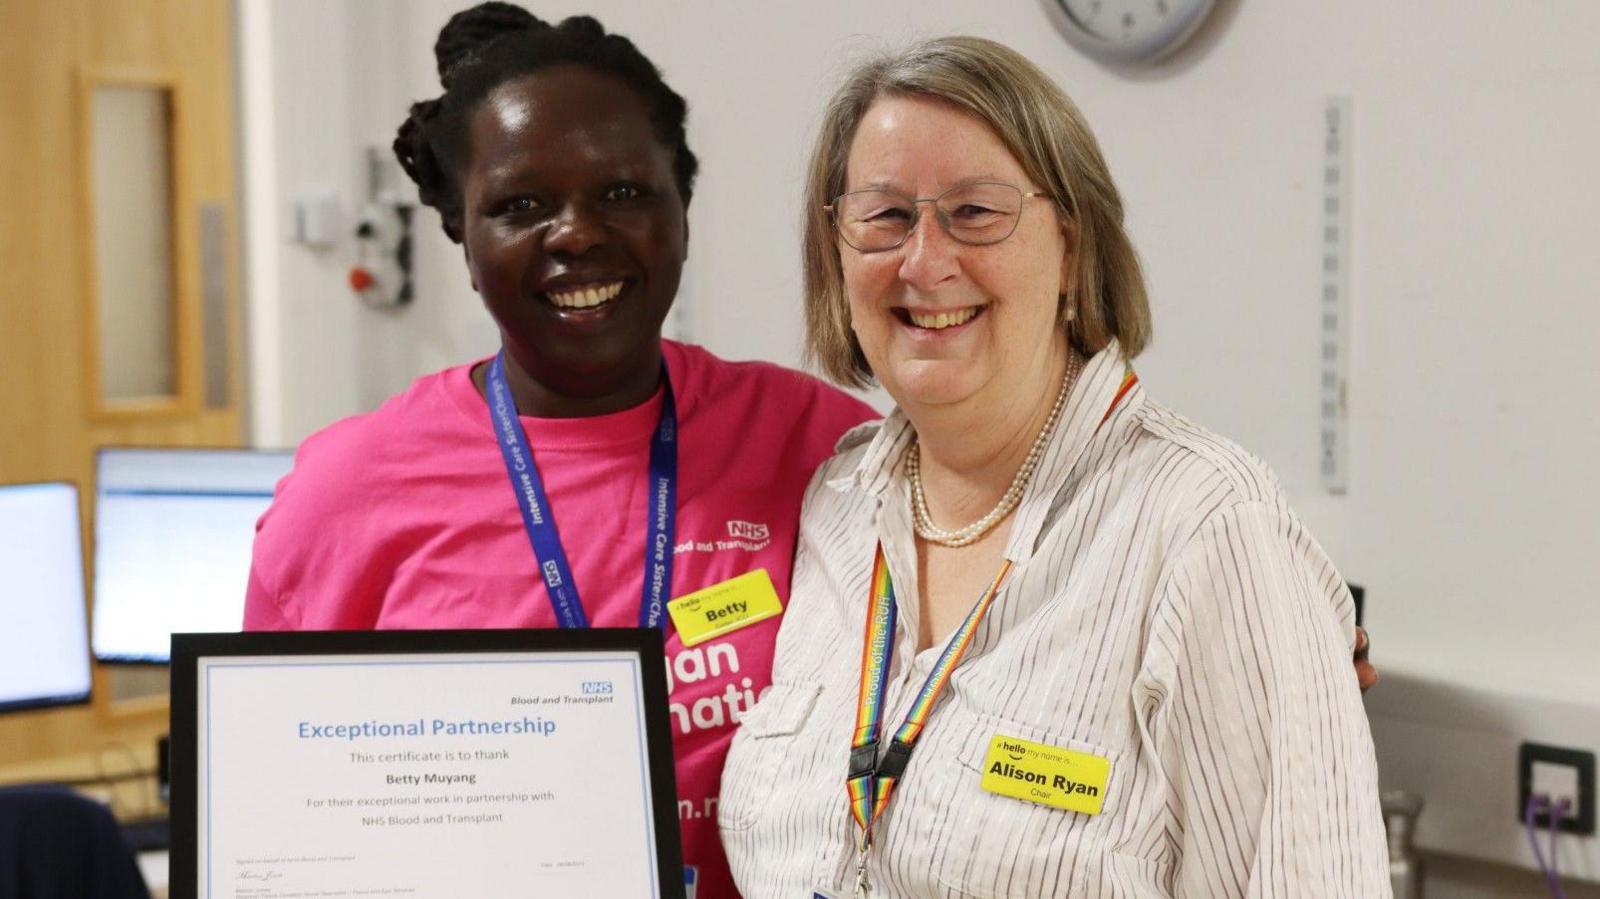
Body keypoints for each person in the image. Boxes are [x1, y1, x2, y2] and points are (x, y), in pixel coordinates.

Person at [719, 36, 1390, 897]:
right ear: (836, 254)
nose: (924, 261)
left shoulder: (1208, 529)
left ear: (1072, 246)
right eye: (885, 216)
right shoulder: (837, 506)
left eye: (976, 212)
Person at [243, 6, 877, 898]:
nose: (576, 233)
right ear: (465, 240)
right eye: (520, 206)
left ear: (681, 211)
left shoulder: (822, 445)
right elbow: (275, 832)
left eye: (621, 192)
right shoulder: (342, 498)